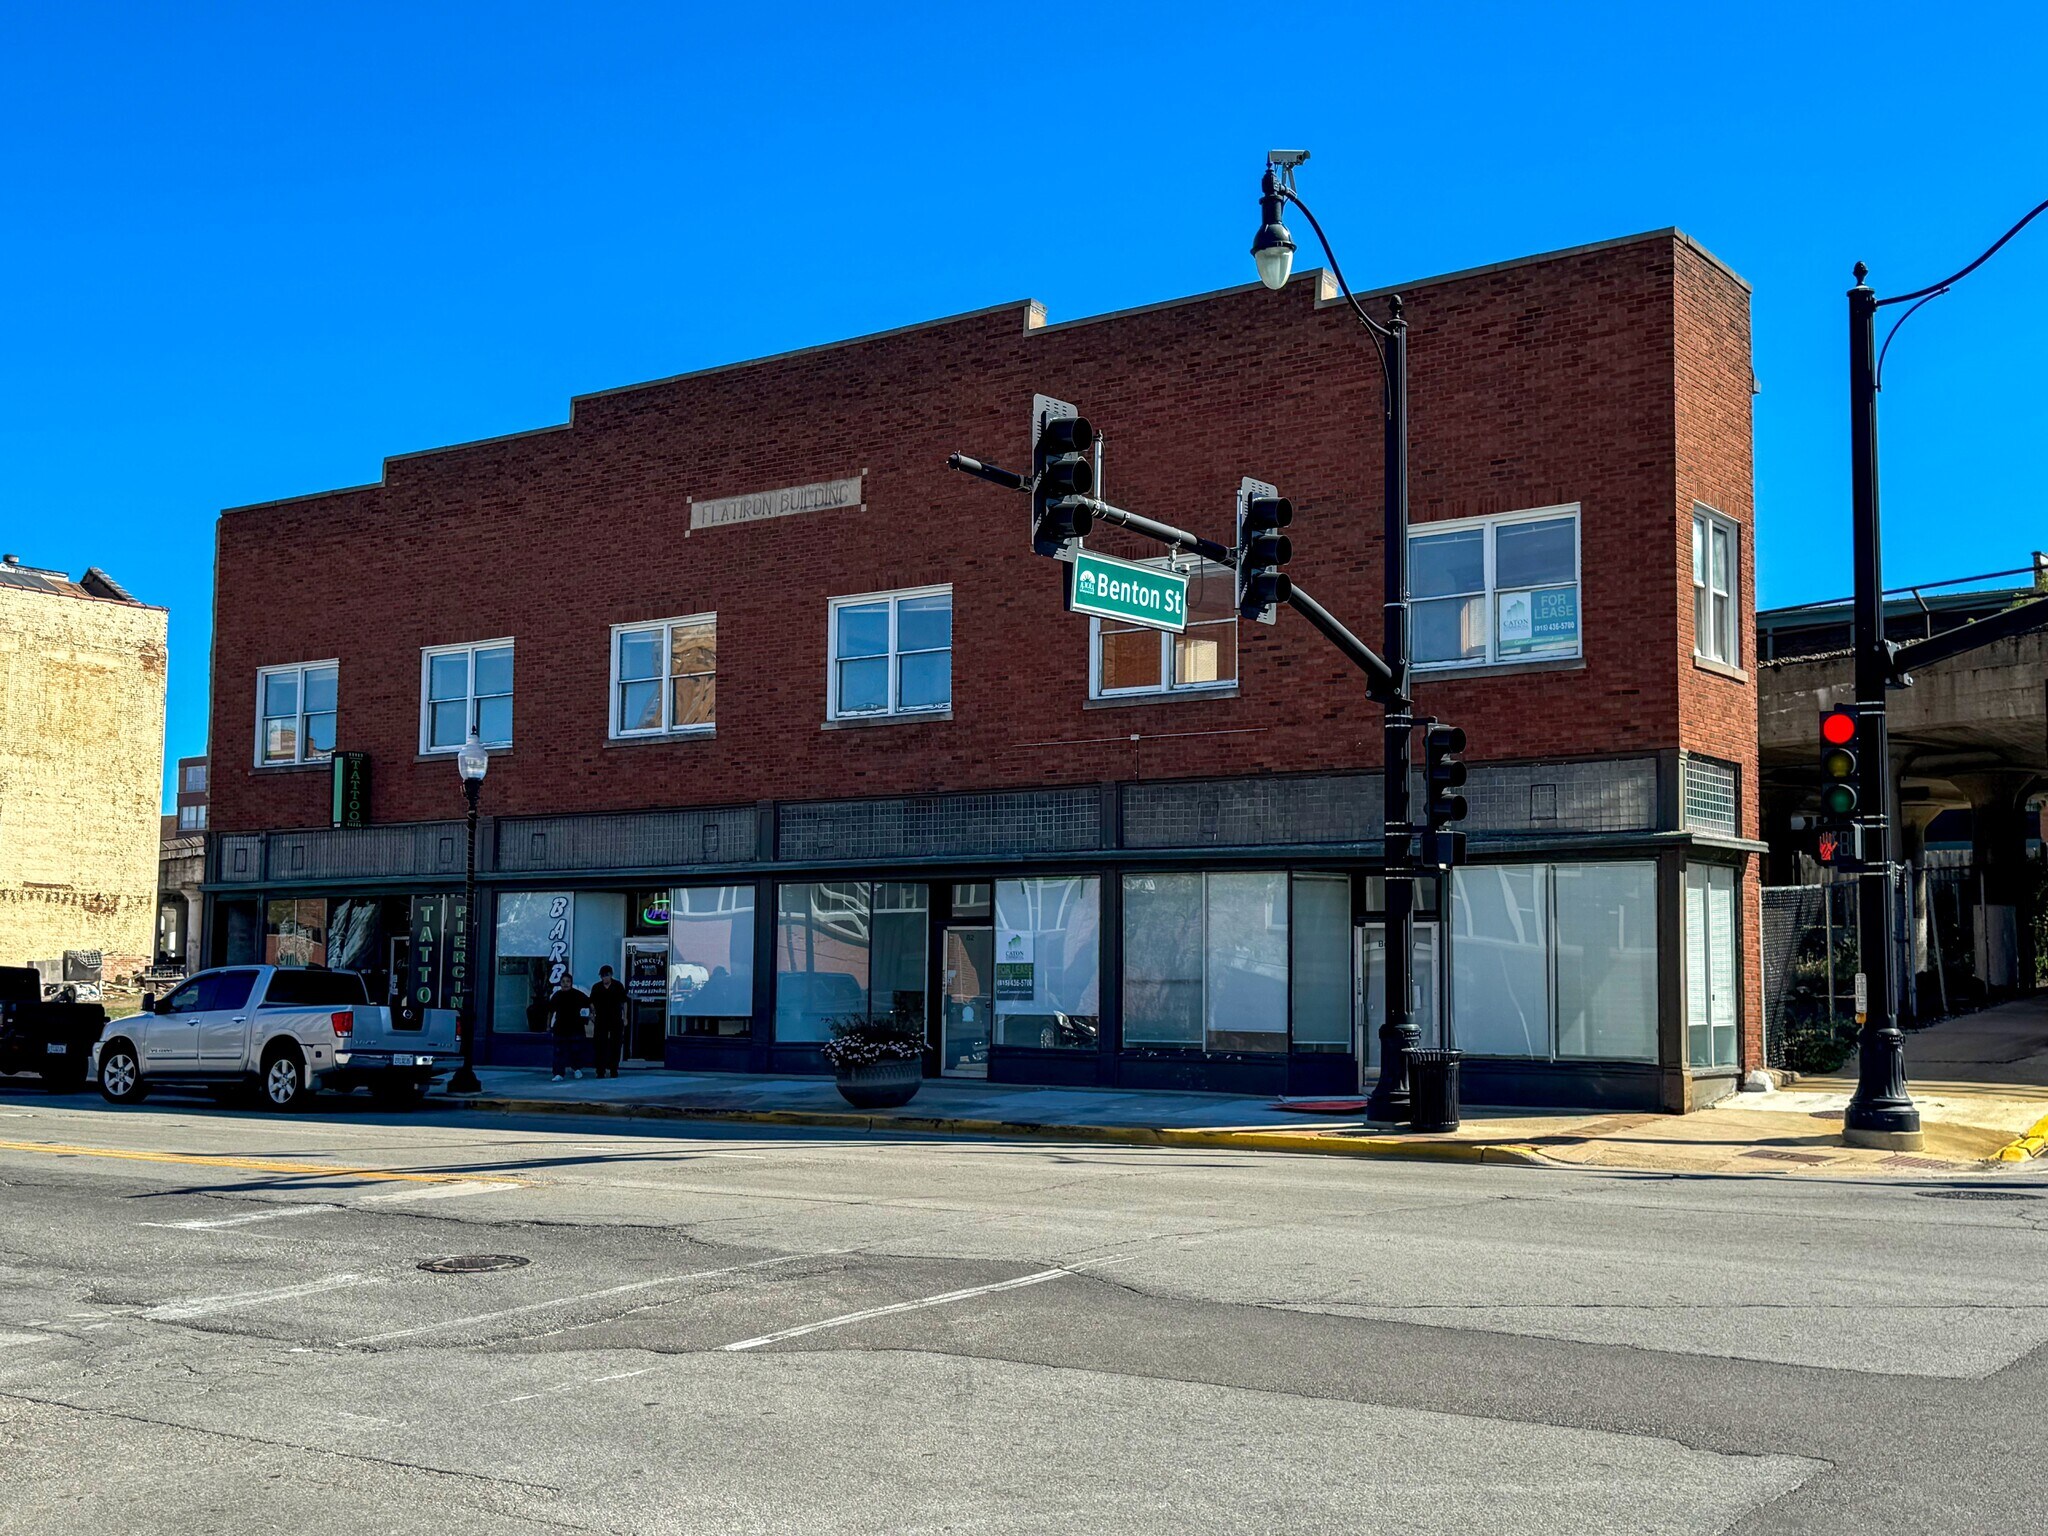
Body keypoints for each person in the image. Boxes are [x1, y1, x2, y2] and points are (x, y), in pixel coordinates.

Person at [547, 970, 592, 1082]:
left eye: (568, 981)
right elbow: (550, 1011)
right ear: (560, 983)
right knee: (559, 1052)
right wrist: (548, 1026)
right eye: (563, 981)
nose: (565, 983)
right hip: (560, 1027)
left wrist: (591, 1015)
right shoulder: (557, 996)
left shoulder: (577, 994)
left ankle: (577, 1069)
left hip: (576, 1027)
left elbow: (590, 1003)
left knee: (576, 1050)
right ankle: (558, 1073)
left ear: (571, 983)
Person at [590, 964, 628, 1078]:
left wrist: (625, 1017)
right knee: (600, 1044)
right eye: (603, 976)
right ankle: (600, 1070)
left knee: (616, 1044)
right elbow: (591, 1002)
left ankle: (613, 1069)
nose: (605, 978)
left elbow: (624, 1002)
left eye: (607, 975)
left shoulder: (618, 986)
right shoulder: (597, 987)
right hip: (601, 1018)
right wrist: (592, 1014)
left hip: (615, 1018)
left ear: (611, 975)